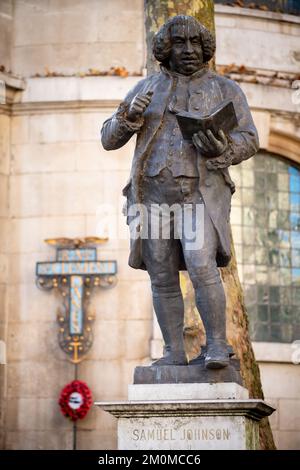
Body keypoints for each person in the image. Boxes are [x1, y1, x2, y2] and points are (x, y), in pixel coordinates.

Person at [101, 15, 259, 369]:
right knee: (161, 274)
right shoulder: (146, 89)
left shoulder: (226, 89)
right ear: (165, 49)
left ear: (205, 48)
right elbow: (108, 139)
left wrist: (222, 150)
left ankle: (217, 346)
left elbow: (249, 139)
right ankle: (174, 351)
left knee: (202, 265)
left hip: (197, 196)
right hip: (152, 197)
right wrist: (127, 117)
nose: (188, 50)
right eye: (180, 43)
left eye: (195, 43)